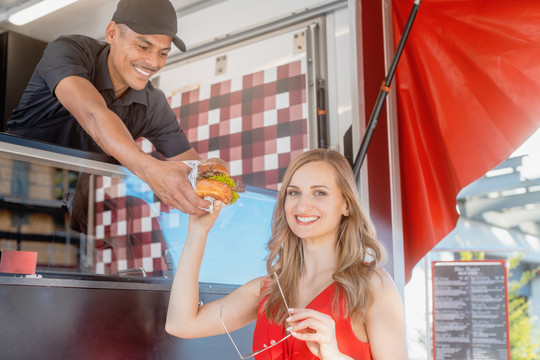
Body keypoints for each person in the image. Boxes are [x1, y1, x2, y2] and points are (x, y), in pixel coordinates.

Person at [166, 148, 408, 359]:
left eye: (319, 193)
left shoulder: (373, 286)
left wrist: (334, 356)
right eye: (294, 192)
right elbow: (181, 324)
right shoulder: (267, 290)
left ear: (346, 204)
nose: (302, 206)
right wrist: (198, 233)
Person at [6, 0, 210, 215]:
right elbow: (93, 115)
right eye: (143, 46)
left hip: (73, 217)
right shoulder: (68, 51)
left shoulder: (153, 104)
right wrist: (150, 169)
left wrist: (210, 173)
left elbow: (191, 166)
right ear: (112, 33)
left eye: (163, 52)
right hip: (12, 187)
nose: (152, 62)